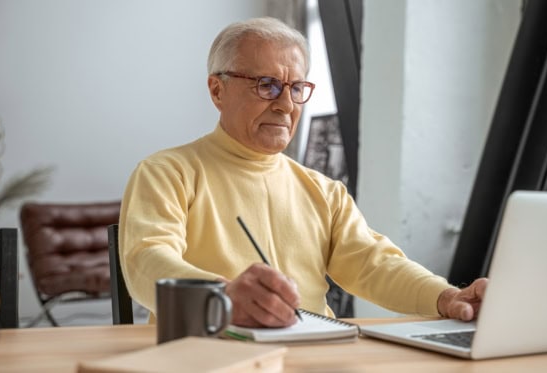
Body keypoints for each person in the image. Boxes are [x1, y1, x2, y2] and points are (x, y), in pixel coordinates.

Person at [119, 16, 487, 328]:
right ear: (218, 90)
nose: (285, 105)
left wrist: (447, 297)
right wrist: (222, 297)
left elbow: (375, 265)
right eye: (267, 85)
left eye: (296, 88)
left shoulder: (323, 190)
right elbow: (146, 262)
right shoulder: (166, 172)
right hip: (208, 356)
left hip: (314, 356)